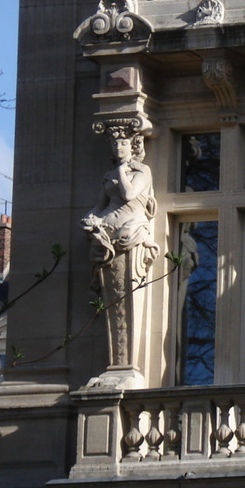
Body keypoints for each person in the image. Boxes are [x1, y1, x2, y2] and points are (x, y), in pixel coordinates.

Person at [83, 130, 159, 367]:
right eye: (115, 144)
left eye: (124, 143)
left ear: (133, 146)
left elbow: (128, 194)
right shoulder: (108, 175)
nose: (119, 147)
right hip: (108, 226)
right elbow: (100, 205)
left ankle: (125, 362)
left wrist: (121, 171)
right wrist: (89, 219)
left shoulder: (142, 171)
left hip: (131, 228)